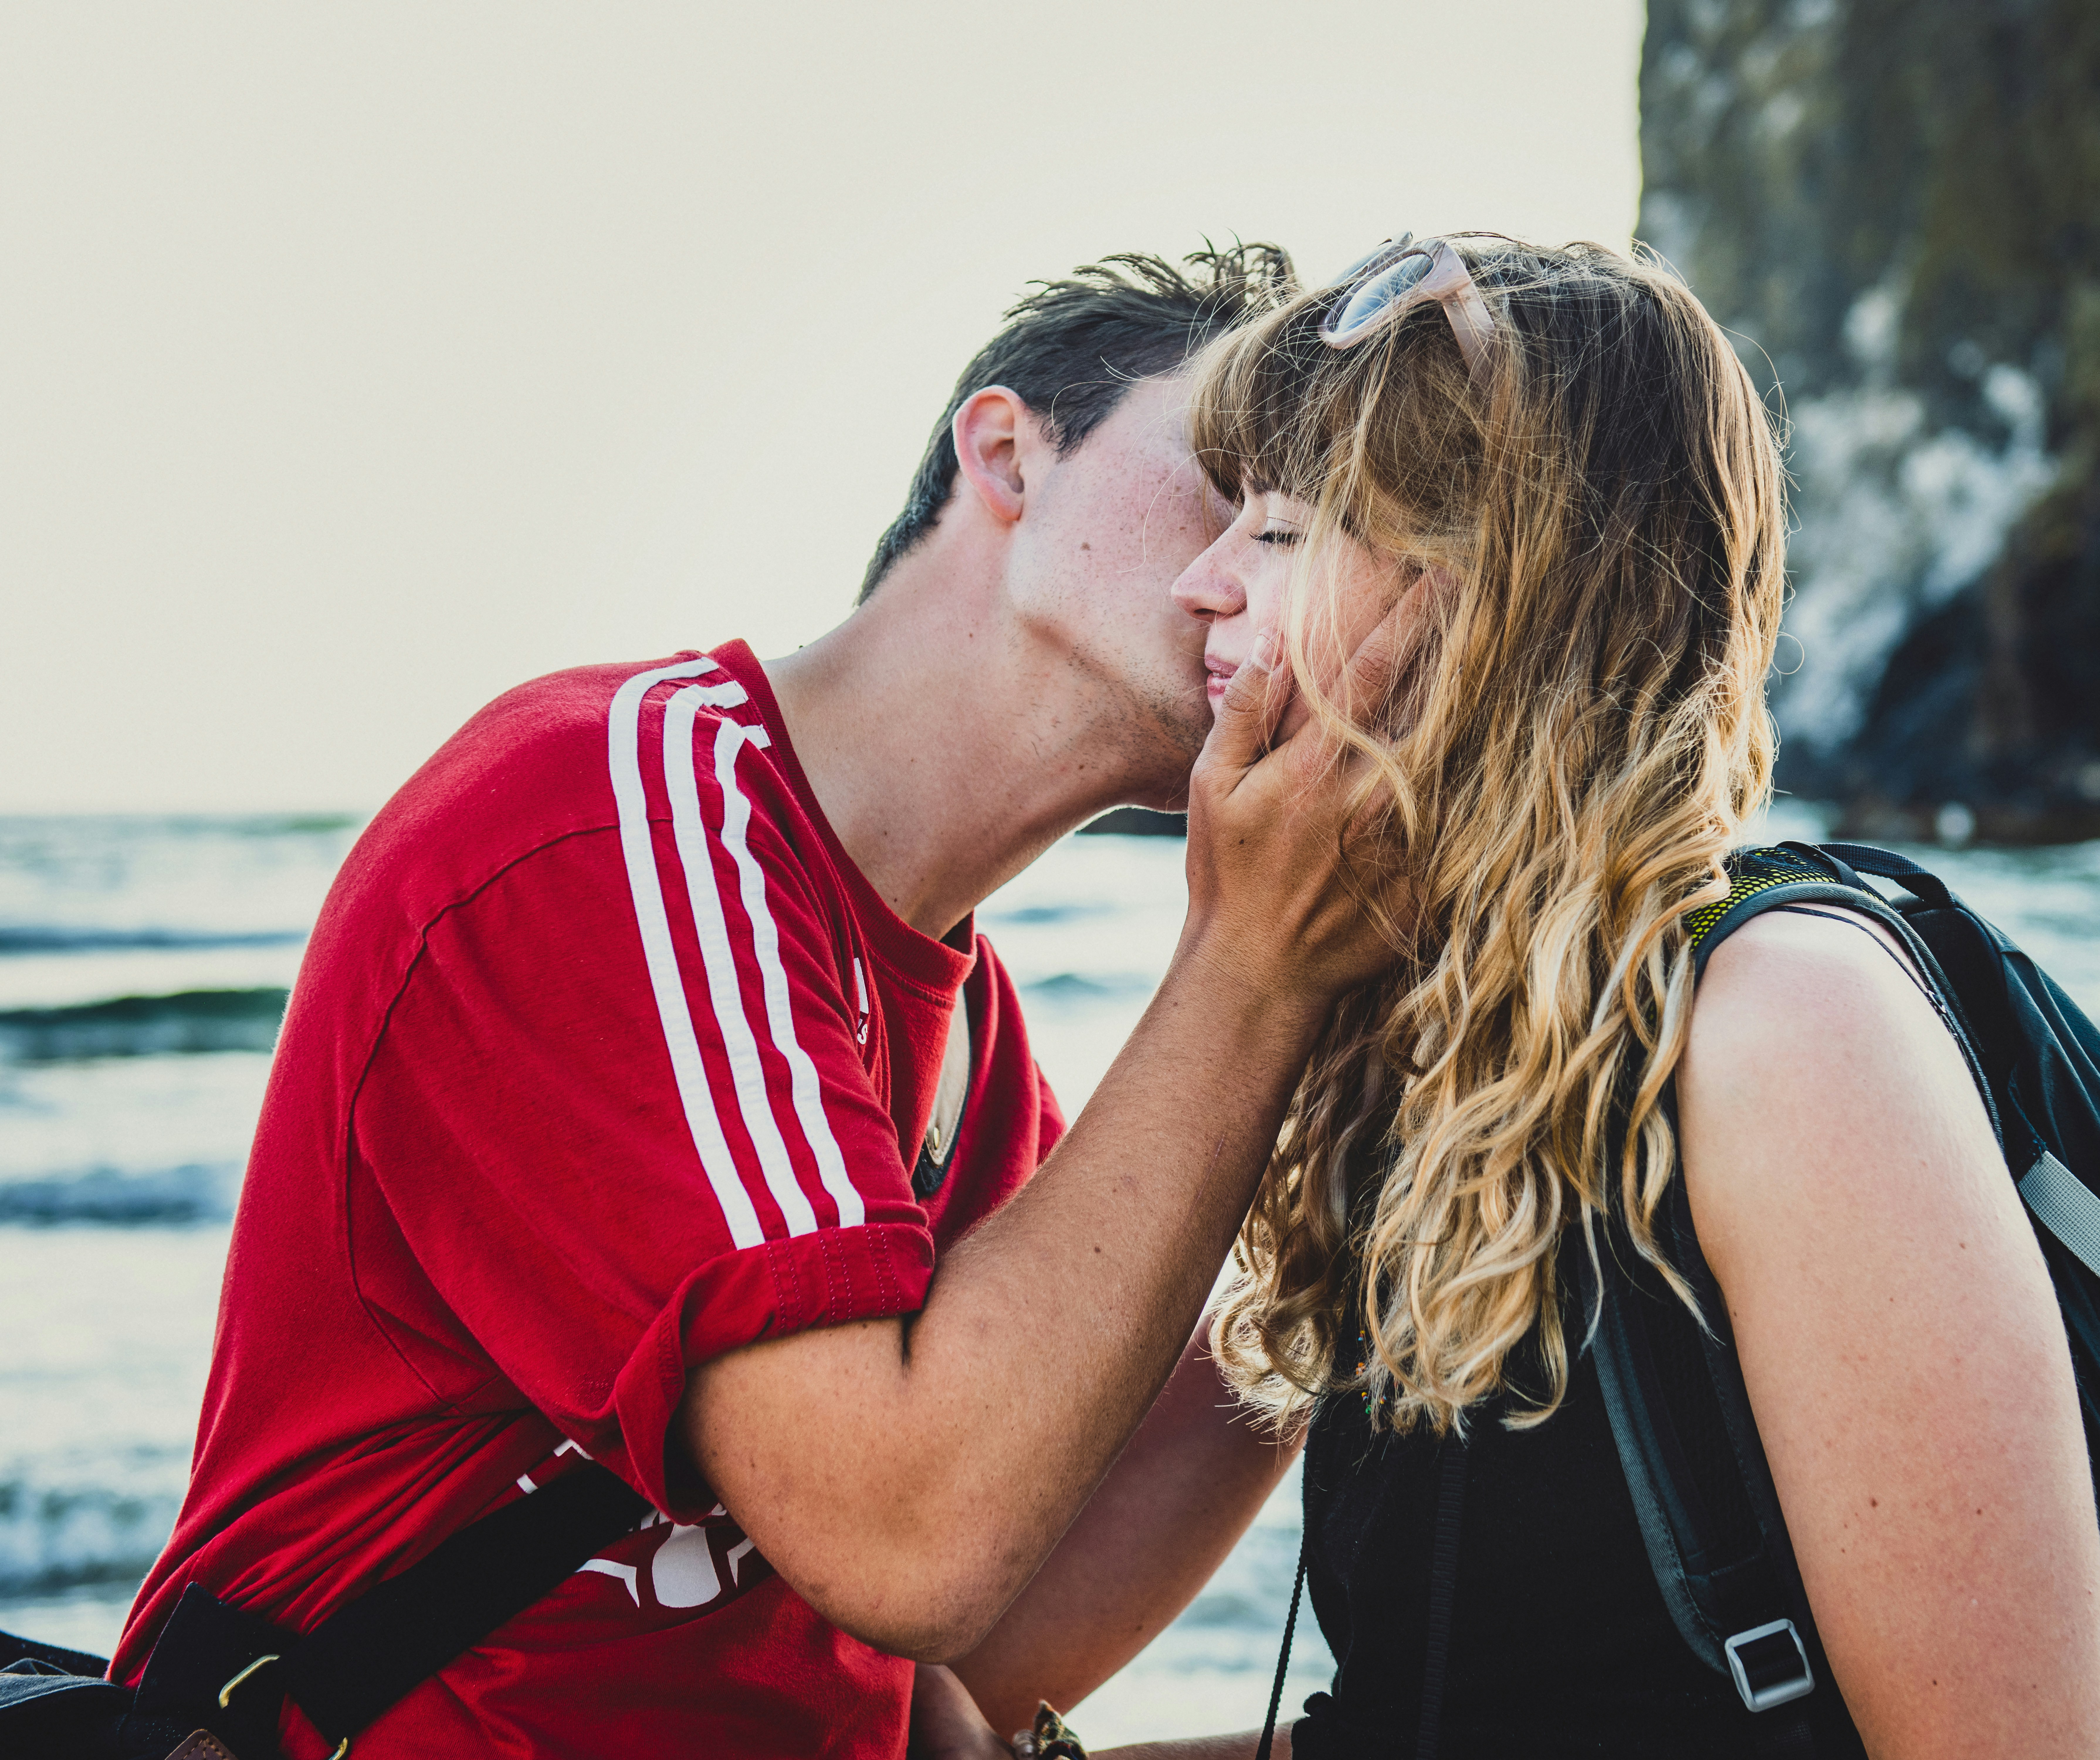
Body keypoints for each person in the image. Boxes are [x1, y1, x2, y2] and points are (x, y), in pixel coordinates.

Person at [109, 243, 1423, 1759]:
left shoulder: (967, 1029)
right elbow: (908, 1538)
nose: (1272, 566)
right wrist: (1251, 968)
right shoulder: (614, 826)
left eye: (1318, 528)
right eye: (1241, 479)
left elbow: (981, 1644)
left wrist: (1357, 1176)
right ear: (1006, 454)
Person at [910, 237, 2100, 1758]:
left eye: (1280, 532)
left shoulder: (1780, 1034)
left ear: (1494, 600)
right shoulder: (1403, 1057)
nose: (1202, 582)